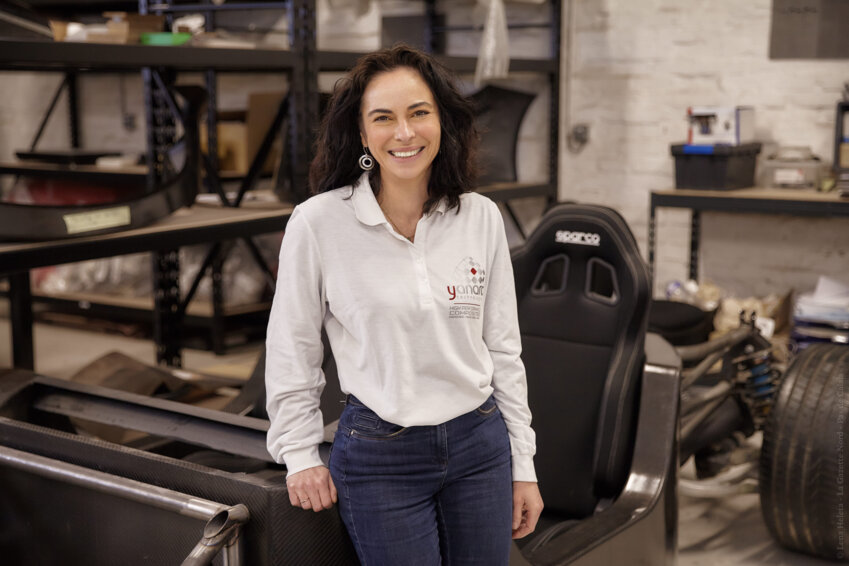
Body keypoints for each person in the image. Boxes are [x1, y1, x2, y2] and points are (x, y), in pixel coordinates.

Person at [265, 43, 543, 565]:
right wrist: (298, 452)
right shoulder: (319, 222)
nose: (405, 133)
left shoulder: (480, 217)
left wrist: (522, 463)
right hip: (379, 456)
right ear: (363, 134)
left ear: (442, 121)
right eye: (384, 118)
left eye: (419, 113)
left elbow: (503, 349)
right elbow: (291, 347)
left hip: (480, 446)